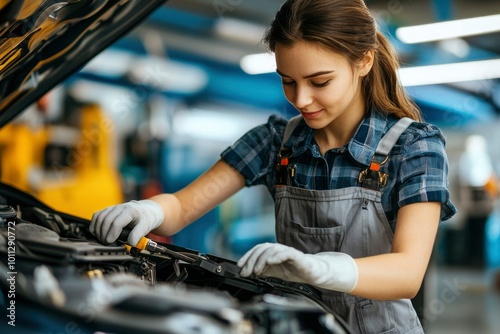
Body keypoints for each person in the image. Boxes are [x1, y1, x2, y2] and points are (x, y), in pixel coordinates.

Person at [90, 0, 457, 332]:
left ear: (363, 61)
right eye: (288, 81)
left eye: (320, 81)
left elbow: (408, 271)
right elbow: (183, 207)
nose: (301, 99)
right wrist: (149, 209)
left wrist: (324, 269)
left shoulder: (414, 146)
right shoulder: (276, 142)